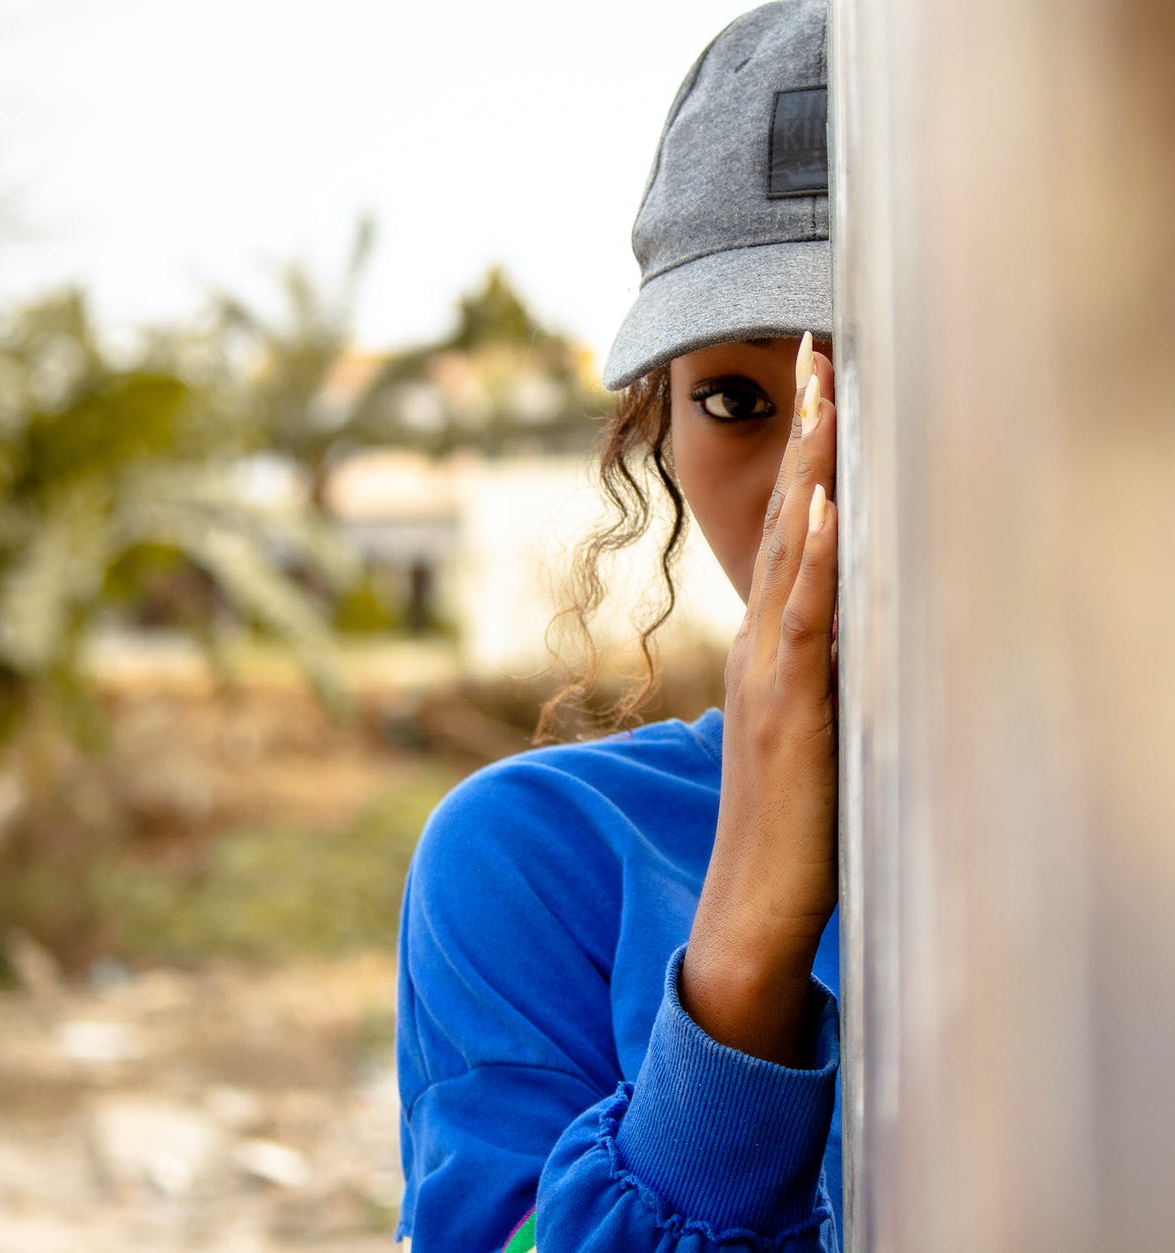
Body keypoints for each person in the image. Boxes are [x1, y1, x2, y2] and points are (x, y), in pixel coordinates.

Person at [395, 3, 842, 1249]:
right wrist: (745, 944)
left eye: (886, 385)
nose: (818, 483)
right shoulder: (534, 863)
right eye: (741, 397)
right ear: (660, 425)